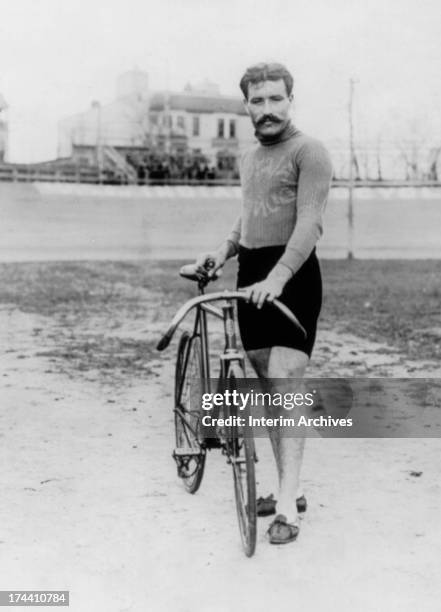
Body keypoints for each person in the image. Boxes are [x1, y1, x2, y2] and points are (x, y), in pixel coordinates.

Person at [196, 62, 333, 544]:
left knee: (286, 384)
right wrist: (221, 252)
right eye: (259, 101)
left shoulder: (310, 151)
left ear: (290, 99)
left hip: (292, 278)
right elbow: (249, 214)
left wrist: (279, 277)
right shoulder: (250, 158)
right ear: (247, 105)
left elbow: (309, 222)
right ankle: (284, 490)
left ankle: (289, 509)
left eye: (277, 99)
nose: (268, 109)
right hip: (250, 275)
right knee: (271, 397)